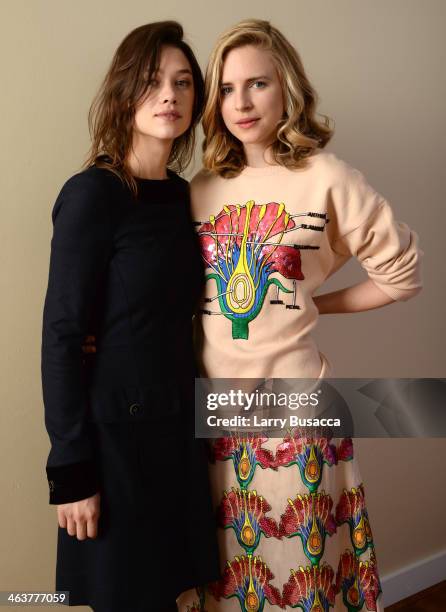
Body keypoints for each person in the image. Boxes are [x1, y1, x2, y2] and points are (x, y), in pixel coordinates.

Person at [177, 19, 423, 612]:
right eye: (227, 89)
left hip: (293, 408)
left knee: (301, 581)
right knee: (226, 584)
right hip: (211, 412)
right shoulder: (197, 189)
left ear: (286, 87)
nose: (241, 102)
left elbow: (401, 276)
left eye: (257, 84)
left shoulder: (328, 178)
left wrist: (315, 303)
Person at [41, 21, 220, 612]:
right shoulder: (94, 194)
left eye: (183, 82)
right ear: (124, 92)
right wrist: (72, 473)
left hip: (181, 432)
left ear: (197, 100)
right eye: (151, 82)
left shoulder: (184, 197)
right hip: (115, 448)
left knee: (181, 595)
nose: (169, 95)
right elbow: (63, 336)